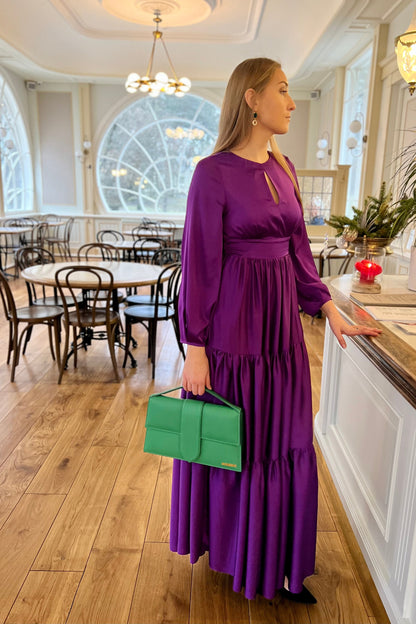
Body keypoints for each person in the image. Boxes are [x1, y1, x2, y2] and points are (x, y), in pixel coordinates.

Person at [170, 57, 382, 603]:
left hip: (281, 335)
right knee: (235, 442)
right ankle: (236, 551)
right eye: (282, 91)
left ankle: (278, 562)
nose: (291, 103)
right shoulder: (211, 172)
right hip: (233, 334)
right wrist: (195, 347)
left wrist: (327, 306)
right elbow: (199, 265)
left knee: (286, 440)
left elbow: (298, 251)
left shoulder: (283, 168)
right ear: (251, 98)